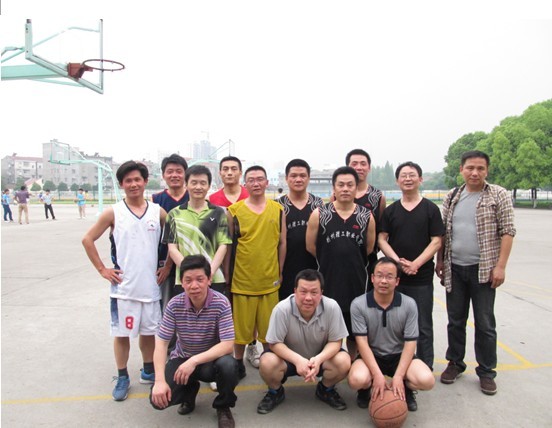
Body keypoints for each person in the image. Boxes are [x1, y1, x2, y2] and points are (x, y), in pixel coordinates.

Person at [82, 161, 167, 401]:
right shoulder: (113, 212)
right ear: (121, 184)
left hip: (150, 287)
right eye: (128, 180)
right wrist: (103, 269)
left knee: (149, 332)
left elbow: (174, 239)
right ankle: (122, 376)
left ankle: (148, 370)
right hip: (123, 289)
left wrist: (168, 266)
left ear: (145, 181)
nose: (133, 184)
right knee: (122, 334)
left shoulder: (158, 211)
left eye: (137, 179)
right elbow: (87, 239)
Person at [436, 150, 516, 396]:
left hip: (484, 270)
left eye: (480, 168)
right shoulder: (453, 196)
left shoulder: (498, 195)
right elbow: (443, 232)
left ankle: (486, 371)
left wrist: (500, 266)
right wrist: (440, 261)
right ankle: (455, 362)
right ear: (461, 169)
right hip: (455, 268)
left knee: (484, 323)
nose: (475, 173)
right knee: (455, 321)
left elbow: (508, 231)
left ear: (487, 171)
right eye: (470, 168)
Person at [150, 255, 238, 428]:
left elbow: (228, 345)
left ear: (209, 280)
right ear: (182, 282)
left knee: (229, 365)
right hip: (183, 359)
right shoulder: (174, 304)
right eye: (188, 280)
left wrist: (194, 361)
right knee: (158, 400)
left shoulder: (221, 303)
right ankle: (189, 392)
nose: (194, 286)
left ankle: (223, 406)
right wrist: (159, 381)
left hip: (210, 362)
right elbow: (161, 343)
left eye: (200, 279)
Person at [378, 161, 444, 371]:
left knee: (423, 324)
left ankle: (424, 366)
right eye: (403, 176)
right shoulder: (391, 211)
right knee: (392, 323)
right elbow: (381, 239)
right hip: (395, 279)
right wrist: (397, 262)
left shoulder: (430, 209)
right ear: (397, 181)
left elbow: (436, 241)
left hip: (421, 278)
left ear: (420, 179)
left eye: (412, 175)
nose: (408, 179)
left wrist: (416, 264)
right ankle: (395, 366)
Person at [257, 269, 350, 414]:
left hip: (319, 359)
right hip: (289, 360)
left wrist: (318, 359)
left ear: (321, 293)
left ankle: (325, 389)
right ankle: (275, 391)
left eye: (314, 292)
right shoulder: (281, 309)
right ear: (295, 291)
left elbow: (336, 341)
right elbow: (274, 343)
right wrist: (298, 360)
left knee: (343, 361)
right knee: (267, 362)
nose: (308, 298)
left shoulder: (332, 307)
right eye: (303, 291)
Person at [348, 257, 435, 412]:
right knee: (356, 379)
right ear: (372, 278)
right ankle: (365, 389)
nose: (384, 281)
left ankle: (406, 389)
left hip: (399, 355)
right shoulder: (358, 304)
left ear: (397, 281)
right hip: (373, 355)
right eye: (379, 276)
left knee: (427, 380)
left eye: (389, 277)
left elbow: (410, 343)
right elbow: (361, 342)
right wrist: (377, 375)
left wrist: (399, 376)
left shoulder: (409, 304)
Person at [306, 166, 375, 358]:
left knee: (355, 330)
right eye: (341, 185)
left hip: (356, 282)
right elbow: (310, 246)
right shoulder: (320, 214)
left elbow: (369, 248)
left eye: (350, 185)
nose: (345, 189)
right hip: (328, 280)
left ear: (356, 188)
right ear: (334, 188)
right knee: (326, 329)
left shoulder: (366, 216)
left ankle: (352, 362)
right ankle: (325, 365)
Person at [227, 165, 286, 379]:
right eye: (251, 180)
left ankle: (269, 363)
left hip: (269, 280)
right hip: (242, 280)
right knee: (240, 331)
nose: (256, 183)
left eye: (260, 179)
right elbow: (228, 247)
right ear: (245, 184)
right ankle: (237, 363)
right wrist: (227, 275)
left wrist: (279, 270)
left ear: (267, 182)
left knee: (269, 331)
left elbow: (282, 242)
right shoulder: (234, 211)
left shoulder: (278, 210)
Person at [207, 156, 260, 370]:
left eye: (234, 169)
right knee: (225, 308)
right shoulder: (212, 199)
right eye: (225, 169)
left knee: (251, 307)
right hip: (221, 259)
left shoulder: (250, 195)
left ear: (240, 172)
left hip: (249, 260)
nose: (229, 172)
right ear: (220, 172)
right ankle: (223, 352)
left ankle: (252, 345)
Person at [164, 165, 232, 295]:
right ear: (186, 184)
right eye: (194, 183)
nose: (198, 187)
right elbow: (172, 248)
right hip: (185, 281)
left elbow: (223, 245)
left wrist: (209, 273)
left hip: (214, 278)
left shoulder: (218, 213)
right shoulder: (174, 214)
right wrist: (189, 273)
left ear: (209, 186)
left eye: (203, 183)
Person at [277, 159, 323, 300]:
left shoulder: (318, 205)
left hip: (313, 266)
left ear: (308, 178)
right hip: (286, 267)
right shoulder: (278, 206)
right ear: (286, 178)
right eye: (293, 176)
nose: (298, 179)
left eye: (302, 176)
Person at [152, 153, 190, 314]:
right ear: (163, 175)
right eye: (170, 171)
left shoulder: (194, 197)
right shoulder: (155, 200)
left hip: (190, 261)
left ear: (185, 174)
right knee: (166, 309)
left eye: (179, 171)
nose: (174, 175)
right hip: (162, 265)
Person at [346, 149, 387, 285]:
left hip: (368, 259)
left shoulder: (377, 196)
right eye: (354, 164)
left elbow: (381, 229)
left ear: (369, 168)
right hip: (342, 257)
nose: (359, 167)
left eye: (363, 164)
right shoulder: (337, 195)